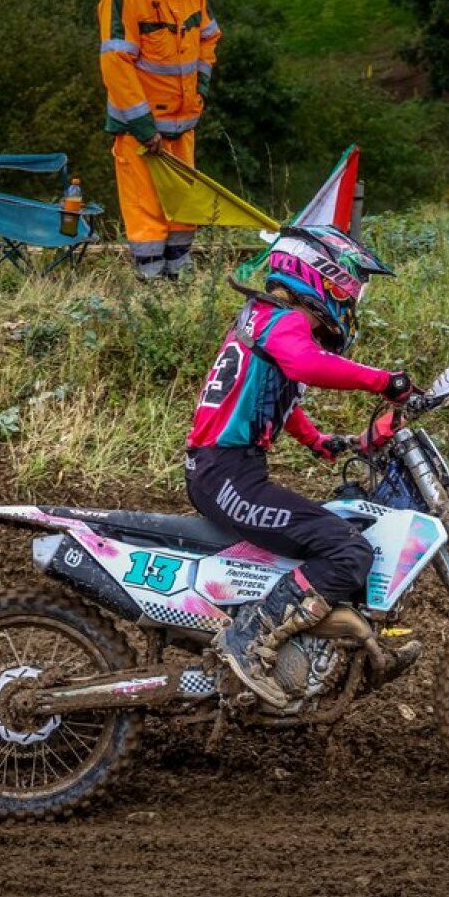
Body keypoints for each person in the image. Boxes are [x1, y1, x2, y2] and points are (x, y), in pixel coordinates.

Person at [185, 226, 416, 707]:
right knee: (347, 552)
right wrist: (383, 382)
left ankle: (350, 649)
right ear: (321, 277)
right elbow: (306, 366)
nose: (351, 303)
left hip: (223, 471)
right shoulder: (284, 320)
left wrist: (321, 442)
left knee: (335, 535)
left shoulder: (264, 319)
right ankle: (249, 639)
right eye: (349, 291)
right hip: (226, 475)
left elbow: (278, 398)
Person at [97, 0, 221, 281]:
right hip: (139, 133)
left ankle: (179, 276)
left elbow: (209, 36)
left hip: (183, 125)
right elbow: (115, 62)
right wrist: (142, 125)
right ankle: (150, 280)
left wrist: (200, 88)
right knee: (146, 209)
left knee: (183, 206)